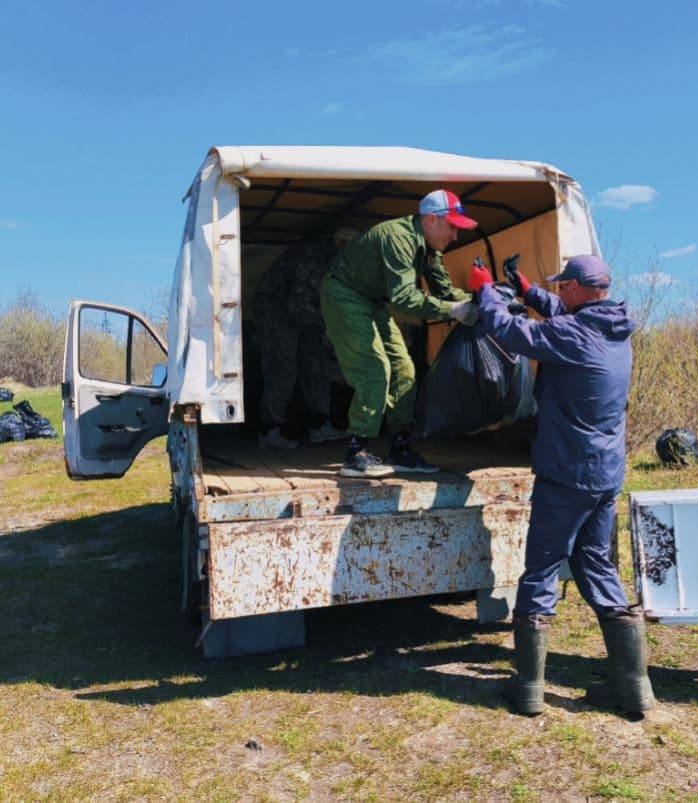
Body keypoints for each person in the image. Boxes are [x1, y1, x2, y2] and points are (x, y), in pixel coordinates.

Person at [469, 254, 656, 718]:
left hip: (566, 472)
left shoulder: (572, 334)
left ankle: (529, 689)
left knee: (542, 568)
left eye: (561, 286)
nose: (559, 293)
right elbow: (561, 319)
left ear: (576, 288)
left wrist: (484, 291)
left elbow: (511, 332)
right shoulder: (614, 330)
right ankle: (633, 688)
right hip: (605, 472)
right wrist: (529, 290)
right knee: (596, 563)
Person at [320, 190, 481, 478]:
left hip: (373, 301)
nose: (456, 236)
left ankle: (400, 447)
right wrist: (454, 310)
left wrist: (482, 300)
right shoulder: (399, 238)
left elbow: (445, 292)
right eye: (453, 226)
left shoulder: (430, 248)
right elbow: (406, 299)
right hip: (345, 294)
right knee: (374, 369)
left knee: (404, 370)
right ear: (431, 220)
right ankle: (355, 452)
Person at [254, 229, 354, 449]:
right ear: (340, 242)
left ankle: (319, 424)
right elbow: (297, 302)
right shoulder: (313, 256)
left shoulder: (333, 260)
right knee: (282, 365)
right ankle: (269, 429)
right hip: (275, 306)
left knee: (316, 364)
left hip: (302, 312)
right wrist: (328, 327)